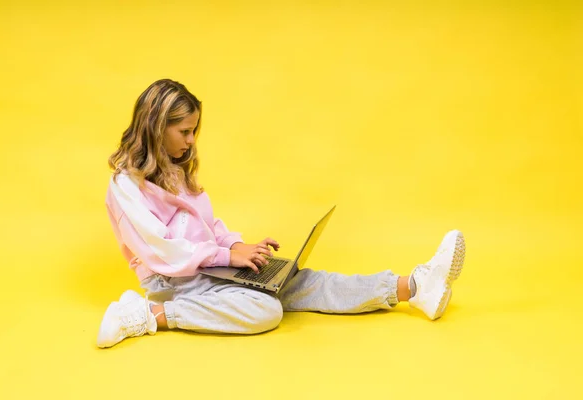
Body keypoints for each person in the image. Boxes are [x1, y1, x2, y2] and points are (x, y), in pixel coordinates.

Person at [96, 78, 466, 349]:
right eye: (185, 131)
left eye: (194, 131)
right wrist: (226, 256)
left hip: (207, 268)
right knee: (266, 310)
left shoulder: (174, 168)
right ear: (157, 127)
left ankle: (413, 287)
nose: (192, 140)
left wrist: (240, 246)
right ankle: (150, 315)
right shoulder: (125, 186)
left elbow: (209, 227)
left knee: (302, 280)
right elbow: (163, 250)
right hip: (172, 282)